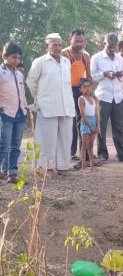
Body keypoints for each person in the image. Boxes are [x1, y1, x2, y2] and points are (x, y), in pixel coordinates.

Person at [27, 33, 75, 176]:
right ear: (46, 46)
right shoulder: (40, 62)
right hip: (47, 105)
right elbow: (31, 81)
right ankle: (46, 167)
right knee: (47, 138)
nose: (57, 47)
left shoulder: (67, 62)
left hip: (66, 105)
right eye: (54, 44)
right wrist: (39, 98)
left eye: (59, 44)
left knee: (65, 138)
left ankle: (62, 166)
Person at [90, 33, 123, 163]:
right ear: (104, 43)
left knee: (119, 127)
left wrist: (118, 75)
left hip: (118, 97)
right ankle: (102, 154)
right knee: (102, 126)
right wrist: (105, 74)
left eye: (114, 46)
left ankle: (122, 154)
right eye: (109, 45)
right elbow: (93, 76)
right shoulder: (96, 58)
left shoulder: (119, 58)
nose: (112, 48)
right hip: (104, 97)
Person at [0, 42, 27, 184]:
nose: (16, 60)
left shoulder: (19, 74)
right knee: (4, 145)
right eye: (13, 57)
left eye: (18, 58)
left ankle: (13, 173)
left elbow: (21, 93)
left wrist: (25, 109)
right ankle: (1, 171)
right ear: (4, 56)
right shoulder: (1, 72)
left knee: (16, 145)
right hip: (6, 113)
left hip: (20, 113)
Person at [62, 29, 91, 161]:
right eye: (76, 41)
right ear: (70, 40)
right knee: (70, 122)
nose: (79, 43)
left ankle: (83, 151)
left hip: (81, 90)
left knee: (83, 121)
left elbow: (89, 76)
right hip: (67, 90)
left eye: (81, 41)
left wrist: (88, 91)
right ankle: (71, 151)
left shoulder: (86, 56)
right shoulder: (65, 54)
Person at [78, 79, 100, 172]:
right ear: (81, 89)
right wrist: (90, 125)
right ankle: (83, 165)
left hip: (93, 121)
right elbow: (82, 113)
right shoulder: (81, 99)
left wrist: (97, 125)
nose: (87, 89)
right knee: (85, 145)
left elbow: (97, 114)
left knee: (91, 145)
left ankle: (92, 166)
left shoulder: (94, 100)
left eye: (89, 86)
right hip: (86, 122)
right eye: (84, 87)